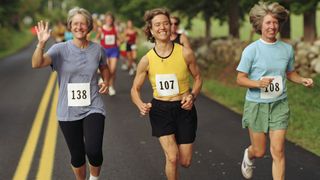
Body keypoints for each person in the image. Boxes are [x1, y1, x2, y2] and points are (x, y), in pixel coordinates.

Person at [236, 2, 314, 180]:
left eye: (275, 23)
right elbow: (240, 79)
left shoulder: (286, 49)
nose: (272, 26)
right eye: (268, 23)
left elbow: (289, 73)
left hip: (279, 103)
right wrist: (258, 83)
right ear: (260, 25)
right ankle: (249, 154)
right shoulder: (251, 51)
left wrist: (302, 80)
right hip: (257, 105)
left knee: (278, 150)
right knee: (260, 150)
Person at [31, 7, 110, 180]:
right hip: (67, 110)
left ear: (89, 26)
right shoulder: (59, 49)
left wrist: (105, 80)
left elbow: (104, 67)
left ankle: (94, 178)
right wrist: (41, 44)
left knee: (94, 150)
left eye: (83, 23)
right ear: (70, 26)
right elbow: (37, 63)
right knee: (77, 156)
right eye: (75, 23)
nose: (79, 27)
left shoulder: (98, 50)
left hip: (93, 106)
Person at [131, 8, 202, 180]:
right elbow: (135, 89)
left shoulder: (185, 52)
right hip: (160, 110)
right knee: (172, 157)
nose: (162, 27)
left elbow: (198, 78)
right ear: (151, 30)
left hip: (184, 109)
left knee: (184, 161)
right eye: (158, 24)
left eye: (166, 23)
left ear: (171, 26)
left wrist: (192, 96)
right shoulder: (146, 60)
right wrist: (140, 104)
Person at [97, 12, 120, 96]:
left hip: (114, 50)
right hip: (105, 50)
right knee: (107, 69)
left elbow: (119, 38)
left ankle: (110, 85)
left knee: (113, 70)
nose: (109, 21)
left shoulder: (115, 28)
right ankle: (109, 85)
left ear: (112, 20)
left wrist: (119, 41)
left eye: (110, 19)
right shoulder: (101, 29)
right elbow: (97, 38)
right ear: (105, 20)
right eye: (108, 19)